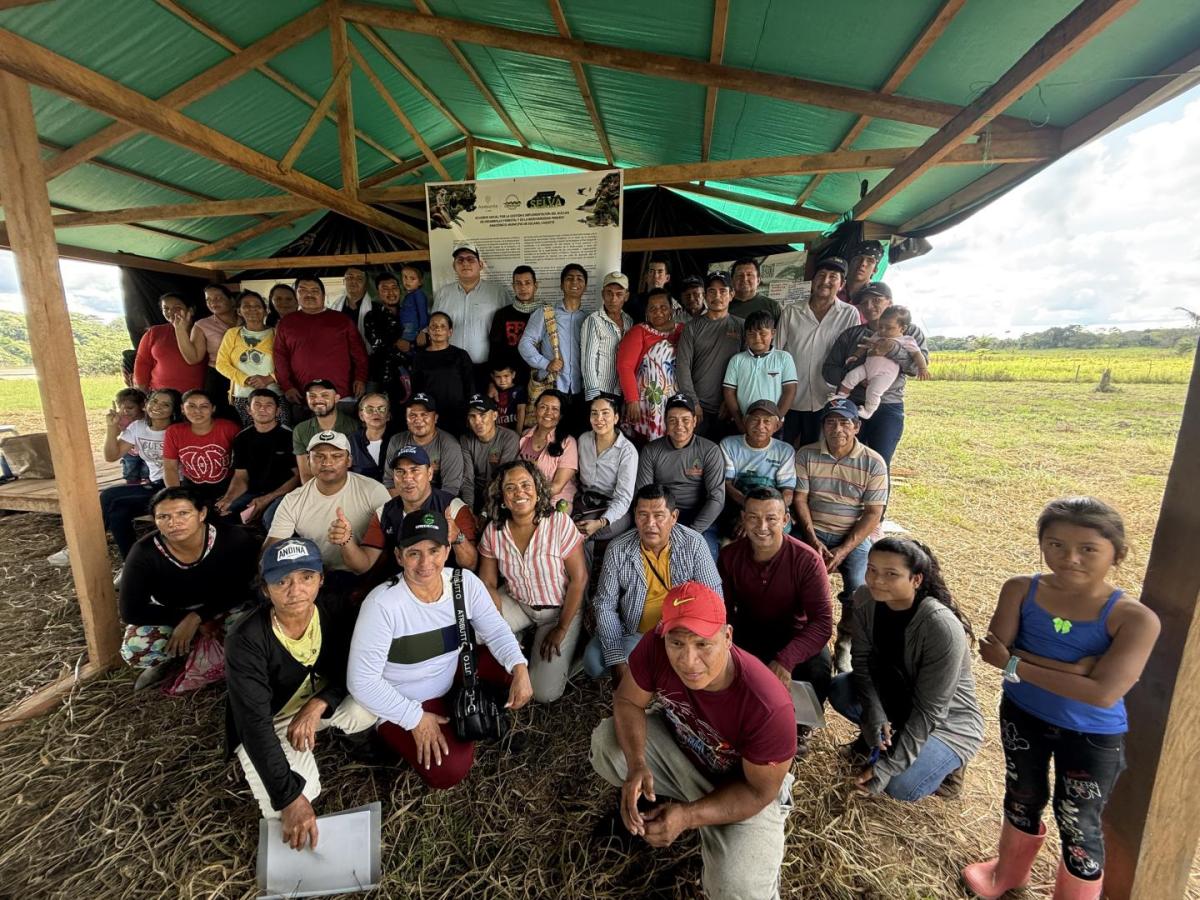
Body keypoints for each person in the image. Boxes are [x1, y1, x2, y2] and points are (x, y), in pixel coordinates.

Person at [966, 498, 1159, 899]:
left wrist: (1016, 664)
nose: (1070, 558)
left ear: (1117, 553)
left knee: (1077, 820)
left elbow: (1103, 694)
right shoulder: (1020, 589)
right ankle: (1007, 873)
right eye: (1055, 545)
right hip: (1022, 714)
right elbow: (993, 652)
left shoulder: (1134, 618)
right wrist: (1077, 670)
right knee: (1021, 795)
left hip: (1091, 734)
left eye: (1088, 548)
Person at [589, 580, 796, 900]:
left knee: (738, 889)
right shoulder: (654, 646)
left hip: (741, 787)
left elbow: (758, 791)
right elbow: (627, 701)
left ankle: (713, 830)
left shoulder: (768, 706)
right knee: (607, 745)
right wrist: (637, 763)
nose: (688, 660)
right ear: (664, 635)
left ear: (728, 637)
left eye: (703, 644)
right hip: (684, 751)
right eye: (677, 643)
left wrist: (688, 816)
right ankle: (653, 798)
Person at [348, 509, 532, 790]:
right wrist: (414, 719)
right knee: (449, 770)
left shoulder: (463, 583)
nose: (425, 563)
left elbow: (495, 630)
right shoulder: (382, 604)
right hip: (407, 697)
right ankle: (390, 739)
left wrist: (519, 667)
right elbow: (361, 681)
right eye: (414, 553)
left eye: (434, 551)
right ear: (399, 556)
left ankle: (474, 712)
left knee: (510, 669)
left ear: (446, 551)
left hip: (451, 671)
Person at [225, 538, 378, 846]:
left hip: (315, 703)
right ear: (265, 589)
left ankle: (352, 739)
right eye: (282, 581)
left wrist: (319, 703)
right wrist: (290, 798)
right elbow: (254, 725)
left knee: (366, 706)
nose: (296, 590)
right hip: (273, 719)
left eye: (306, 577)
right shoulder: (246, 638)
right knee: (292, 801)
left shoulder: (334, 608)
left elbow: (352, 668)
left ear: (321, 579)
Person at [830, 537, 984, 803]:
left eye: (891, 574)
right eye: (872, 569)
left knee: (901, 787)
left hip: (947, 722)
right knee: (841, 689)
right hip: (896, 699)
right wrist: (874, 715)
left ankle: (950, 764)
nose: (877, 580)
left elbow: (930, 710)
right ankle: (881, 739)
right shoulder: (865, 599)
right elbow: (862, 663)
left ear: (916, 579)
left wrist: (888, 766)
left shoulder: (940, 626)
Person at [719, 488, 832, 755]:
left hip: (794, 634)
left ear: (785, 520)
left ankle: (800, 728)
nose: (762, 527)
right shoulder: (730, 556)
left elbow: (823, 622)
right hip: (749, 631)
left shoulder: (807, 560)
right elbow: (723, 611)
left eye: (771, 518)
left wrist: (786, 659)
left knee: (818, 666)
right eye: (753, 518)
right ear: (743, 519)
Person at [119, 486, 258, 690]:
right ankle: (170, 658)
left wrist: (199, 617)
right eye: (163, 517)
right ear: (154, 520)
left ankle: (230, 660)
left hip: (223, 605)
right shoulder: (144, 552)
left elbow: (245, 587)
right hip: (172, 611)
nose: (173, 523)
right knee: (136, 649)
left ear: (201, 514)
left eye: (183, 513)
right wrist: (185, 620)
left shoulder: (232, 539)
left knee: (251, 631)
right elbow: (130, 611)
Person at [478, 461, 587, 704]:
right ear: (502, 498)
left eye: (526, 485)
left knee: (544, 693)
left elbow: (579, 579)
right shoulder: (494, 532)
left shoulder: (559, 523)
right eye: (510, 487)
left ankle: (575, 648)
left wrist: (561, 629)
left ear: (538, 490)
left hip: (559, 611)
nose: (519, 492)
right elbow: (487, 582)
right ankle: (519, 638)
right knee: (477, 631)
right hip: (519, 602)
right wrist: (497, 625)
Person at [586, 483, 721, 680]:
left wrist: (694, 636)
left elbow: (713, 597)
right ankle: (650, 667)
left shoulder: (694, 543)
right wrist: (616, 659)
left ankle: (654, 669)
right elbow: (605, 604)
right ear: (634, 516)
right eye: (643, 515)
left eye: (659, 515)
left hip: (681, 632)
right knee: (594, 663)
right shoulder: (618, 549)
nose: (650, 523)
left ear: (673, 517)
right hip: (636, 631)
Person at [792, 399, 888, 673]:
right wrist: (813, 540)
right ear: (823, 426)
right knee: (792, 576)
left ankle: (845, 643)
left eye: (845, 423)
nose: (837, 429)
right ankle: (800, 636)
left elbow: (873, 513)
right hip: (811, 530)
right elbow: (800, 500)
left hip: (852, 537)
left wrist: (844, 550)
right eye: (831, 422)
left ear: (856, 427)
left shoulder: (873, 462)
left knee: (860, 589)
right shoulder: (806, 454)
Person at [265, 431, 392, 594]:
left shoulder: (374, 491)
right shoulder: (293, 500)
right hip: (318, 576)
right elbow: (271, 549)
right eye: (319, 456)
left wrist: (369, 585)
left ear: (349, 460)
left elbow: (389, 547)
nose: (327, 462)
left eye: (336, 456)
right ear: (308, 461)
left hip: (367, 574)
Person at [822, 283, 929, 466]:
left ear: (890, 302)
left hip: (889, 405)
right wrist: (858, 378)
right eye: (864, 303)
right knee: (849, 461)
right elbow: (828, 370)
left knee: (880, 462)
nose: (869, 306)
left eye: (876, 300)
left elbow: (916, 368)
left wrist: (892, 349)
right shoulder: (852, 334)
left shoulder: (910, 332)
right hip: (853, 405)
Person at [351, 443, 479, 576]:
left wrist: (457, 537)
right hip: (402, 582)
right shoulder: (384, 512)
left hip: (447, 581)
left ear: (429, 473)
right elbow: (363, 565)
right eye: (400, 471)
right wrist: (346, 541)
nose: (407, 478)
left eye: (415, 470)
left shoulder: (453, 508)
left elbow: (471, 565)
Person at [775, 257, 861, 448]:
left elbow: (852, 356)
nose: (826, 281)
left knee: (816, 451)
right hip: (790, 397)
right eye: (821, 275)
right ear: (813, 281)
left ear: (842, 284)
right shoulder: (791, 311)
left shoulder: (849, 314)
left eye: (833, 277)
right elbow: (776, 352)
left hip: (827, 398)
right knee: (783, 449)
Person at [636, 393, 724, 560]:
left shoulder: (710, 451)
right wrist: (662, 525)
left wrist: (692, 532)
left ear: (695, 421)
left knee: (705, 559)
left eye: (685, 420)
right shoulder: (651, 451)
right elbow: (644, 494)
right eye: (673, 420)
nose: (679, 426)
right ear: (665, 422)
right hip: (661, 515)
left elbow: (717, 498)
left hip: (699, 517)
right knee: (643, 558)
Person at [273, 275, 369, 416]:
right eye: (303, 290)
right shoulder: (286, 323)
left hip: (341, 395)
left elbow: (359, 353)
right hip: (302, 396)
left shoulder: (342, 320)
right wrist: (287, 386)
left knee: (345, 429)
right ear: (296, 295)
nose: (309, 295)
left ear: (323, 295)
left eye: (314, 291)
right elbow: (280, 358)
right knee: (305, 430)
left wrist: (360, 378)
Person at [100, 388, 178, 559]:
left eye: (166, 404)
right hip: (155, 485)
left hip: (175, 486)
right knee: (117, 513)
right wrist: (111, 428)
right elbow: (111, 456)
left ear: (174, 410)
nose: (157, 406)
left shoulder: (177, 430)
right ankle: (131, 562)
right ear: (146, 403)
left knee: (108, 495)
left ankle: (89, 542)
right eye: (154, 401)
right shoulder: (138, 427)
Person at [519, 263, 589, 434]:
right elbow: (525, 344)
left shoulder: (589, 318)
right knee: (549, 436)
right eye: (569, 278)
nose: (574, 282)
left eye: (579, 279)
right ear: (561, 285)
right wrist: (545, 363)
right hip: (552, 387)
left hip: (581, 391)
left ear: (585, 286)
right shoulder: (546, 314)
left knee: (576, 437)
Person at [213, 389, 298, 527]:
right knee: (221, 513)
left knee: (271, 520)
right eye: (257, 405)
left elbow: (298, 477)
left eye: (269, 405)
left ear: (278, 411)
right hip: (253, 492)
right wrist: (228, 498)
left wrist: (267, 499)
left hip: (283, 493)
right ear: (249, 410)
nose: (262, 409)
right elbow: (241, 476)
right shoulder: (242, 438)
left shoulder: (290, 436)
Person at [676, 272, 743, 440]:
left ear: (732, 294)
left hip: (730, 408)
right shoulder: (692, 327)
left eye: (723, 291)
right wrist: (693, 403)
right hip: (699, 408)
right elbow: (683, 367)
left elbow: (747, 368)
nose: (717, 296)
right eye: (712, 291)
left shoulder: (742, 326)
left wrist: (731, 402)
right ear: (705, 295)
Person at [832, 304, 929, 419]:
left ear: (902, 328)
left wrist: (922, 368)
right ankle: (841, 396)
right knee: (850, 377)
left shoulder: (906, 340)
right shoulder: (877, 335)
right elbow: (866, 345)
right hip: (867, 368)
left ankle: (868, 411)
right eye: (880, 326)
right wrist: (855, 355)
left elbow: (917, 354)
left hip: (885, 374)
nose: (883, 330)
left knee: (873, 391)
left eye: (888, 328)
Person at [432, 242, 512, 381]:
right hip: (449, 367)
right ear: (454, 266)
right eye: (460, 260)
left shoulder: (498, 293)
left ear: (480, 265)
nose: (465, 263)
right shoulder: (443, 294)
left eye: (470, 259)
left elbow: (509, 329)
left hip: (486, 368)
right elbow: (434, 328)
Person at [616, 287, 684, 444]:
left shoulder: (683, 331)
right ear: (646, 311)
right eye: (652, 309)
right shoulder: (638, 332)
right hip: (646, 402)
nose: (658, 312)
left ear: (671, 309)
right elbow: (625, 367)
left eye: (663, 307)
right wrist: (632, 400)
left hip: (675, 398)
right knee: (648, 444)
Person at [719, 401, 796, 529]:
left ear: (777, 426)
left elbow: (787, 492)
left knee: (775, 532)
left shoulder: (785, 450)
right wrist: (751, 511)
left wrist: (767, 512)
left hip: (773, 508)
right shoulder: (728, 445)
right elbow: (727, 484)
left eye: (767, 421)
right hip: (738, 505)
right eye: (755, 420)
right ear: (745, 421)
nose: (760, 426)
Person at [215, 290, 287, 426]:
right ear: (239, 311)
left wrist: (269, 378)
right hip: (243, 396)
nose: (252, 309)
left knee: (280, 433)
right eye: (247, 306)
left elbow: (287, 364)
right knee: (246, 434)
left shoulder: (276, 334)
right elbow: (221, 364)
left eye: (257, 306)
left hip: (273, 395)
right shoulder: (232, 334)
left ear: (266, 311)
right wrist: (245, 379)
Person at [575, 394, 637, 546]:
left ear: (616, 418)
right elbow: (574, 478)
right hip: (586, 502)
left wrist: (600, 522)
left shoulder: (627, 451)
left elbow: (623, 498)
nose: (599, 418)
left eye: (605, 413)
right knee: (563, 527)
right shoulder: (583, 440)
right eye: (594, 413)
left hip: (614, 508)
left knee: (580, 534)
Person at [162, 389, 241, 508]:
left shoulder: (229, 428)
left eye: (204, 406)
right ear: (182, 408)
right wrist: (178, 497)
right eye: (191, 406)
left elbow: (241, 469)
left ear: (213, 409)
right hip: (190, 488)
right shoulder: (174, 431)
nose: (197, 411)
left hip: (226, 487)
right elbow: (170, 468)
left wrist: (229, 497)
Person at [722, 310, 798, 434]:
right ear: (745, 336)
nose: (757, 338)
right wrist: (739, 420)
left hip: (773, 424)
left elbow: (790, 391)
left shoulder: (784, 358)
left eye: (763, 333)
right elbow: (729, 392)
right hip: (745, 422)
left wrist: (778, 418)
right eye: (751, 334)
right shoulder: (737, 360)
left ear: (773, 333)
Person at [381, 393, 467, 496]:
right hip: (402, 499)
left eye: (424, 415)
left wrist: (420, 504)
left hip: (437, 501)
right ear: (406, 418)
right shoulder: (396, 441)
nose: (418, 420)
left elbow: (450, 490)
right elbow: (389, 483)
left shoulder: (449, 445)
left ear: (435, 418)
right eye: (412, 415)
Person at [172, 283, 241, 407]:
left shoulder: (248, 318)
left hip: (248, 372)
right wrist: (180, 330)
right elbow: (193, 358)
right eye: (208, 300)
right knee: (221, 414)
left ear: (231, 300)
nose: (213, 302)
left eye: (218, 298)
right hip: (219, 376)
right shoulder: (202, 325)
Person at [411, 311, 475, 438]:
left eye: (442, 326)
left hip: (457, 414)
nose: (437, 329)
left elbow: (470, 387)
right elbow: (416, 389)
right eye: (433, 326)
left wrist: (470, 413)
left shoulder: (461, 355)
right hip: (431, 415)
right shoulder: (420, 357)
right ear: (428, 331)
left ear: (450, 332)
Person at [132, 292, 207, 393]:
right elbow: (142, 362)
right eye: (166, 309)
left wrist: (180, 330)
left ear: (191, 310)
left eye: (177, 307)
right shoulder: (154, 332)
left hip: (194, 396)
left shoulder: (203, 331)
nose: (170, 312)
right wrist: (141, 392)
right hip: (160, 394)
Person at [518, 390, 579, 513]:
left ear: (560, 415)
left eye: (554, 409)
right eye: (543, 407)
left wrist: (528, 496)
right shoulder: (525, 436)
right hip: (523, 500)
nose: (548, 412)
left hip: (556, 503)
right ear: (535, 410)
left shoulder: (568, 443)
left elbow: (557, 487)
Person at [459, 393, 520, 515]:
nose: (477, 422)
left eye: (482, 415)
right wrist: (468, 509)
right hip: (476, 494)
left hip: (500, 495)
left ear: (494, 415)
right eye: (472, 416)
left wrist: (485, 512)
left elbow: (502, 478)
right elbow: (467, 479)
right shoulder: (466, 440)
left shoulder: (509, 438)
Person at [362, 271, 413, 410]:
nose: (391, 292)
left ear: (400, 290)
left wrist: (412, 344)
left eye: (394, 287)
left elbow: (421, 341)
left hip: (409, 375)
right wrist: (402, 346)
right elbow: (378, 344)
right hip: (381, 375)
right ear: (378, 293)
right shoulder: (372, 316)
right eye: (385, 289)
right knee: (378, 412)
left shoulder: (409, 314)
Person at [292, 380, 359, 484]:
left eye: (325, 395)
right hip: (316, 488)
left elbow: (357, 469)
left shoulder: (355, 427)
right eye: (312, 396)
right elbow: (306, 474)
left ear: (336, 398)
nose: (318, 400)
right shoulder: (301, 429)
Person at [581, 272, 633, 401]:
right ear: (602, 294)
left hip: (621, 391)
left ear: (626, 296)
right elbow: (588, 361)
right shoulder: (594, 320)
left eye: (619, 294)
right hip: (600, 391)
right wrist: (594, 397)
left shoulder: (629, 321)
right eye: (609, 293)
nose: (613, 299)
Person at [488, 265, 539, 386]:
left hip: (539, 377)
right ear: (513, 286)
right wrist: (492, 382)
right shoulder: (502, 314)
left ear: (535, 286)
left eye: (527, 283)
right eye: (518, 283)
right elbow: (494, 351)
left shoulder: (546, 312)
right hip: (510, 381)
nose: (523, 287)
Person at [349, 392, 400, 483]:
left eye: (381, 409)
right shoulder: (351, 441)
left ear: (388, 416)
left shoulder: (399, 440)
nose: (375, 413)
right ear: (361, 415)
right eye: (369, 409)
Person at [111, 388, 149, 483]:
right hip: (129, 452)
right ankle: (132, 487)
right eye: (121, 408)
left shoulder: (148, 418)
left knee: (148, 472)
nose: (125, 411)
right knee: (130, 472)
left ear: (142, 405)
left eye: (130, 408)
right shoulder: (121, 418)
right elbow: (115, 434)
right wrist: (115, 423)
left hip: (147, 451)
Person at [729, 257, 782, 323]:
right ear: (732, 281)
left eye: (749, 275)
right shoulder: (723, 305)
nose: (745, 279)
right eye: (740, 275)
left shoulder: (773, 307)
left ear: (758, 280)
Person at [326, 266, 373, 339]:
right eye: (350, 277)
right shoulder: (334, 307)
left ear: (365, 285)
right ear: (343, 281)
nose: (353, 281)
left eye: (359, 279)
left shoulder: (374, 307)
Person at [839, 240, 884, 308]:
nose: (863, 263)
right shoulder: (833, 287)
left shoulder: (874, 302)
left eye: (870, 261)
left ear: (874, 270)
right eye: (858, 259)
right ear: (850, 263)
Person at [627, 256, 671, 323]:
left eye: (660, 272)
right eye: (651, 272)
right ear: (646, 277)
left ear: (667, 278)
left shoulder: (673, 304)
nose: (655, 276)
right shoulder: (634, 302)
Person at [489, 355, 527, 433]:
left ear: (513, 375)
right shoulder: (493, 391)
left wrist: (518, 433)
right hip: (497, 432)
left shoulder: (519, 390)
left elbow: (521, 410)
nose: (502, 380)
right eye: (498, 377)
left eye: (506, 376)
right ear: (492, 377)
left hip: (513, 432)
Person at [398, 264, 430, 352]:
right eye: (405, 277)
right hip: (406, 330)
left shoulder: (418, 294)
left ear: (420, 282)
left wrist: (423, 331)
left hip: (414, 332)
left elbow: (423, 313)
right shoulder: (407, 296)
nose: (407, 281)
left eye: (412, 278)